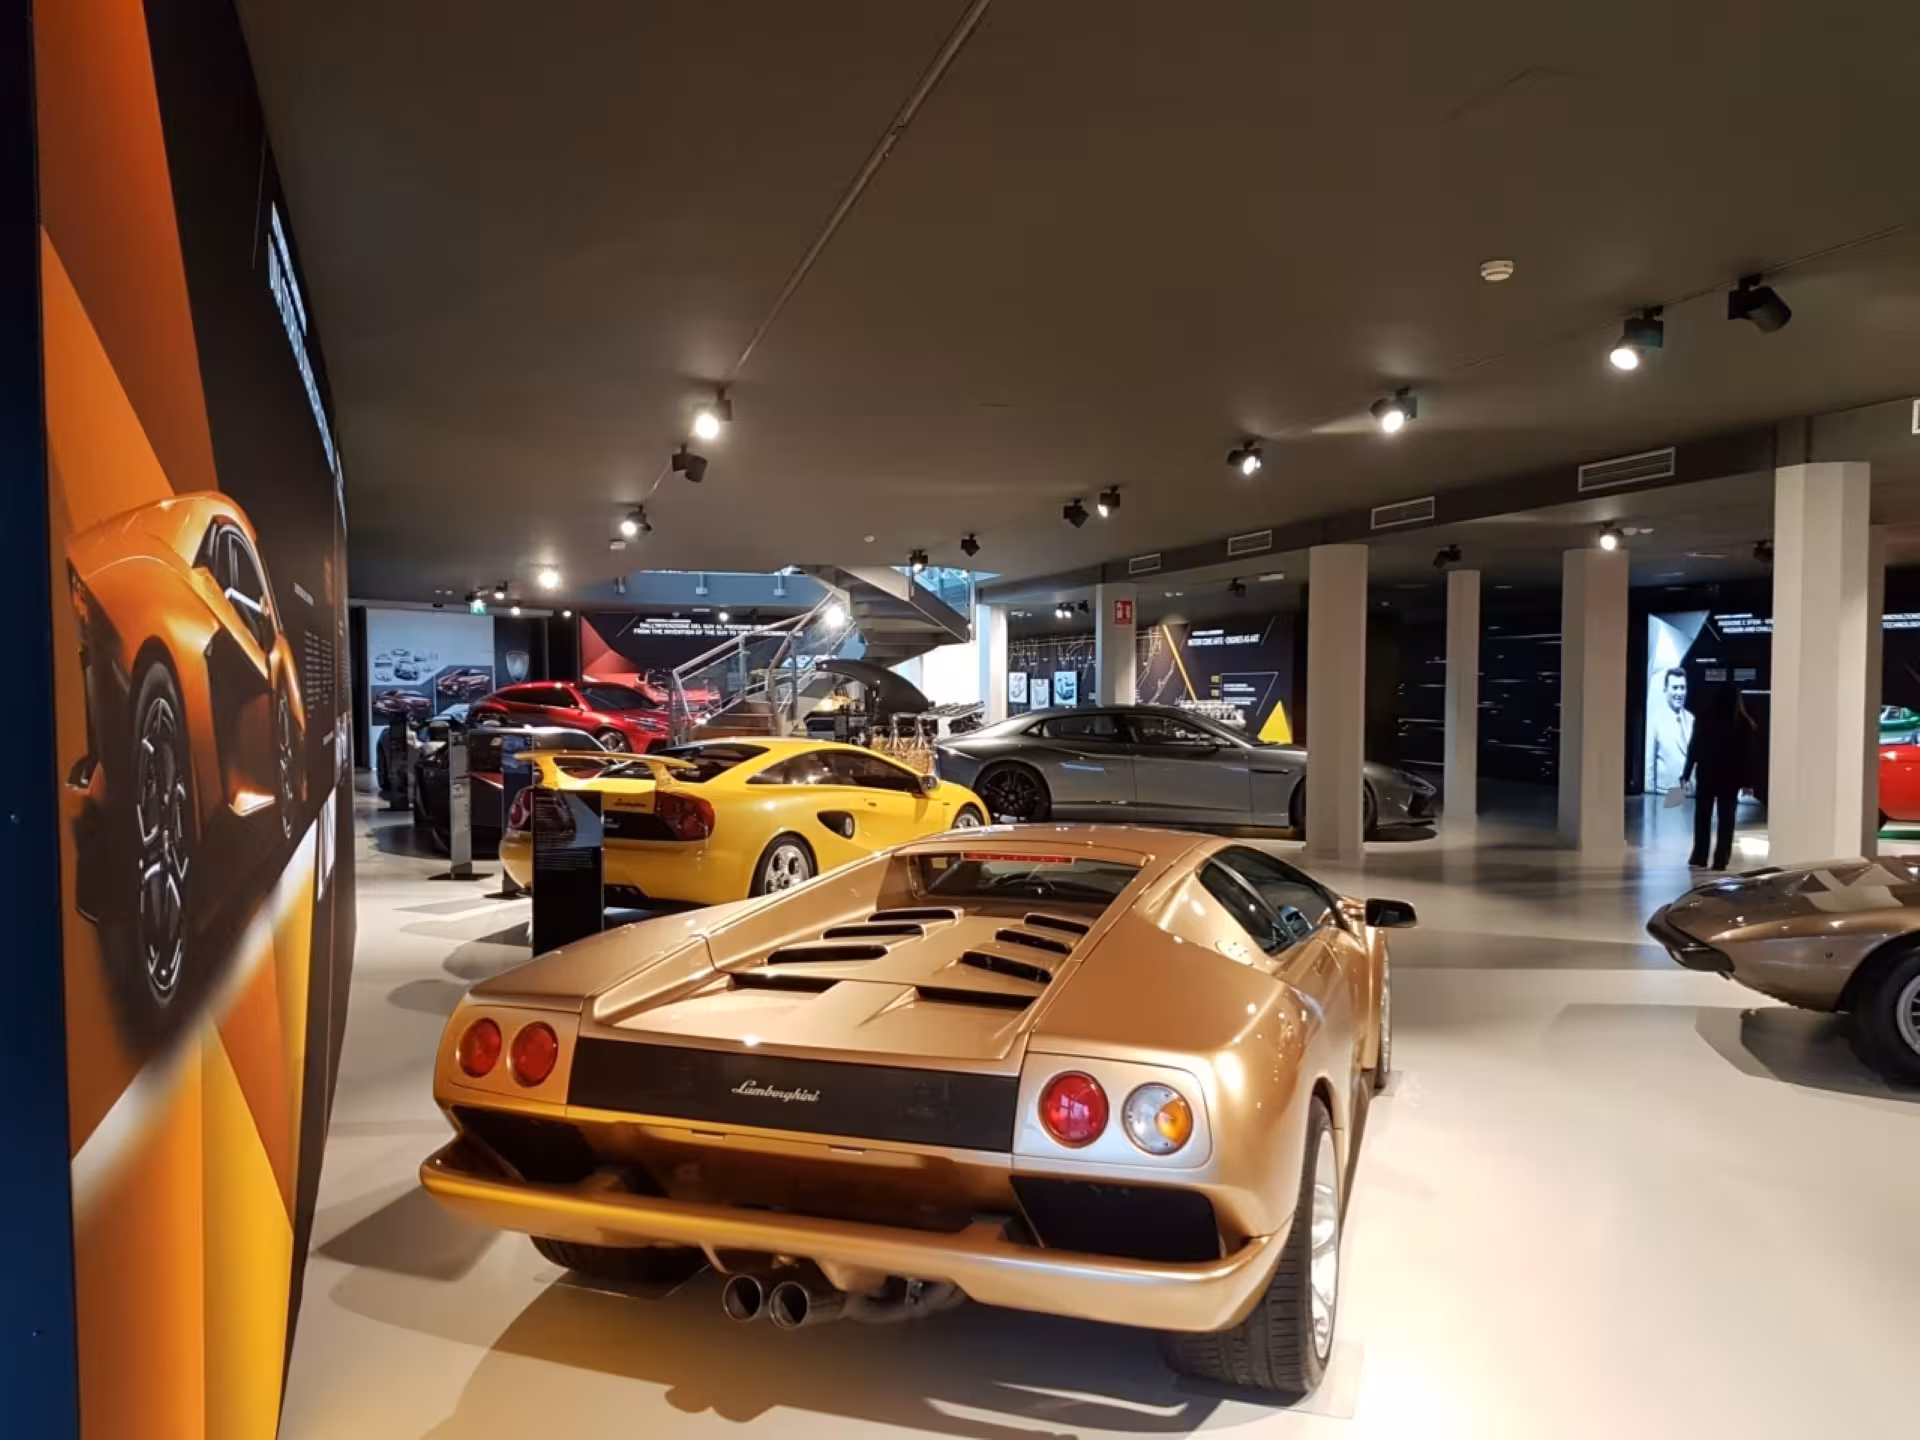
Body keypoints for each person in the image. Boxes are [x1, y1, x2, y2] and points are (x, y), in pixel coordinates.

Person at [1682, 686, 1756, 869]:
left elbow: (1694, 749)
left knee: (1702, 817)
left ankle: (1699, 856)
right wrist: (1747, 782)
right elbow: (1746, 757)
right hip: (1730, 778)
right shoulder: (1744, 724)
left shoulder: (1704, 720)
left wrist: (1686, 773)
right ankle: (1720, 860)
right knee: (1726, 820)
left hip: (1707, 774)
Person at [1646, 667, 1693, 793]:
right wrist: (1650, 798)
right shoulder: (1655, 721)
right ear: (1665, 690)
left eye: (1682, 688)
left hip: (1689, 795)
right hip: (1665, 795)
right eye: (1675, 687)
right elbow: (1649, 766)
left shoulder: (1691, 719)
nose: (1679, 693)